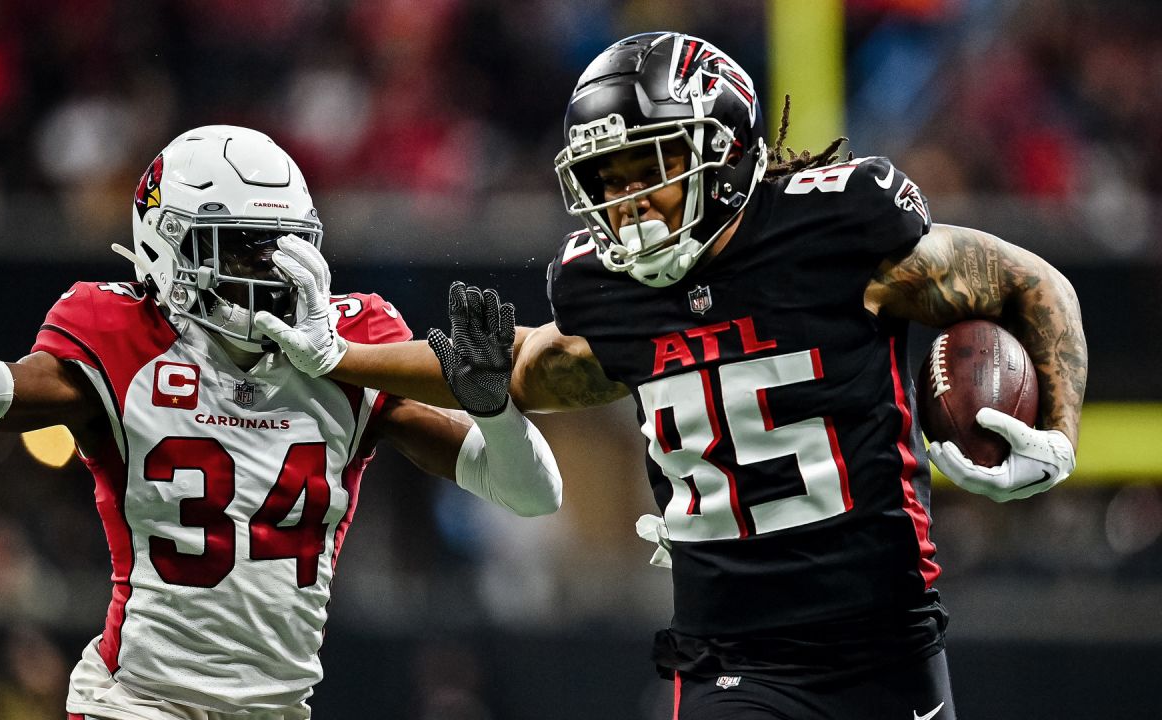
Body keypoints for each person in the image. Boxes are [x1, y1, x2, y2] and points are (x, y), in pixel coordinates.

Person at [285, 32, 1088, 720]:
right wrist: (332, 354)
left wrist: (1058, 428)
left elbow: (1030, 282)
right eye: (610, 183)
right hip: (729, 659)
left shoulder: (833, 230)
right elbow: (522, 367)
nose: (629, 206)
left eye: (649, 171)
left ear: (723, 152)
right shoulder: (608, 289)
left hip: (884, 636)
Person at [0, 125, 562, 720]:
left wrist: (494, 409)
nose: (274, 271)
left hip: (275, 708)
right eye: (244, 249)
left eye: (286, 246)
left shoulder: (352, 349)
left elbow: (535, 495)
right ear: (168, 244)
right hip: (138, 703)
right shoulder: (123, 336)